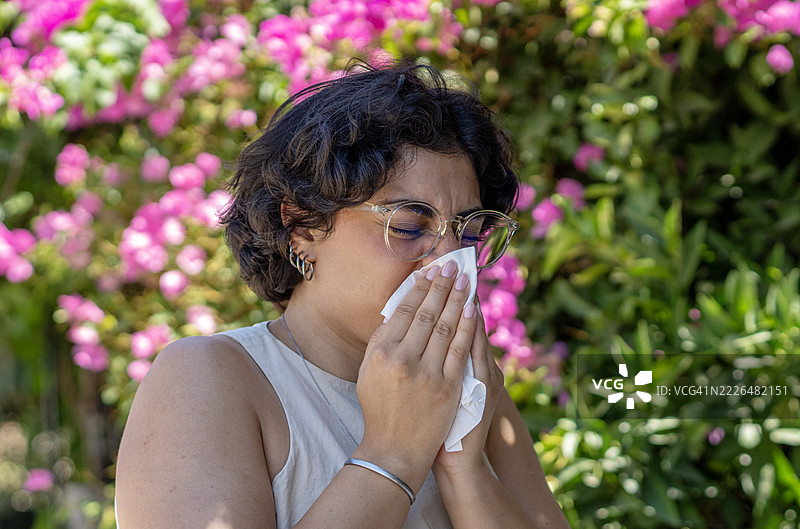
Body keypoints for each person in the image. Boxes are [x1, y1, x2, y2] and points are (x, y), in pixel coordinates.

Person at [115, 61, 570, 529]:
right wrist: (394, 454)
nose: (449, 259)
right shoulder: (211, 377)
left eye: (469, 232)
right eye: (411, 225)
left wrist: (464, 468)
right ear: (304, 226)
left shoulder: (471, 392)